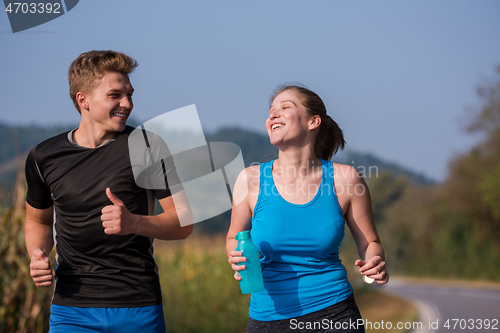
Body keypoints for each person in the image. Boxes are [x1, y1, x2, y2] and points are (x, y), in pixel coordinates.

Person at [25, 50, 193, 333]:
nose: (127, 104)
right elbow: (38, 220)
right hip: (71, 310)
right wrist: (37, 253)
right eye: (115, 95)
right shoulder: (44, 156)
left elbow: (184, 220)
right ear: (83, 100)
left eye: (129, 94)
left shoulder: (146, 146)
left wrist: (135, 223)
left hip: (137, 306)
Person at [226, 85, 389, 332]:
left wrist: (374, 260)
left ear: (313, 121)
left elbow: (369, 243)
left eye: (285, 107)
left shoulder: (346, 180)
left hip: (335, 314)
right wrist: (237, 256)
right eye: (271, 111)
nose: (273, 115)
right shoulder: (249, 180)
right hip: (269, 317)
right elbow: (233, 237)